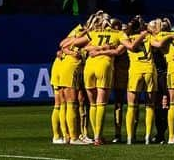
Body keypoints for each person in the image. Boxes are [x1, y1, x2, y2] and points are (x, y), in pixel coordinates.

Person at [84, 12, 125, 146]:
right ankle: (97, 137)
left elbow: (82, 46)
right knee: (101, 102)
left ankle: (96, 135)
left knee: (92, 103)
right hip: (104, 65)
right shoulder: (118, 34)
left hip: (89, 65)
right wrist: (105, 49)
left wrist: (97, 49)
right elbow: (121, 50)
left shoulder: (94, 33)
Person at [53, 19, 93, 145]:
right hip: (70, 67)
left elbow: (62, 45)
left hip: (60, 66)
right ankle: (73, 137)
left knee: (62, 104)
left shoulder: (78, 32)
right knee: (71, 103)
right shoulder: (86, 33)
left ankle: (65, 136)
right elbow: (63, 45)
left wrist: (68, 51)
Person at [120, 17, 157, 145]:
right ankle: (147, 136)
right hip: (149, 70)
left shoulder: (123, 36)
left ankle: (130, 137)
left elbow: (130, 46)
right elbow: (158, 45)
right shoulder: (148, 36)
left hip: (135, 71)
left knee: (131, 106)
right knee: (150, 105)